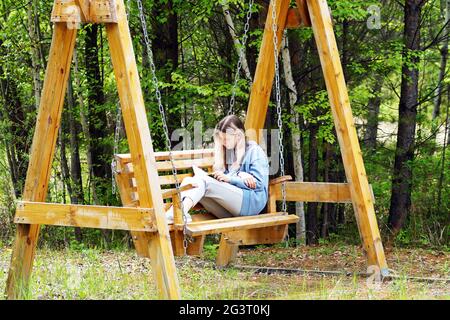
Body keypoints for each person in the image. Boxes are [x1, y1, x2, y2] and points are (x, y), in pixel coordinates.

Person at [165, 114, 270, 223]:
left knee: (205, 182)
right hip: (230, 210)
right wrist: (237, 175)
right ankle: (174, 214)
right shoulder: (230, 153)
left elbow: (259, 183)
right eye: (221, 139)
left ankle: (177, 214)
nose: (223, 142)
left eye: (226, 139)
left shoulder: (255, 151)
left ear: (238, 136)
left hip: (251, 204)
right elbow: (227, 182)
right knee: (190, 182)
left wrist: (231, 178)